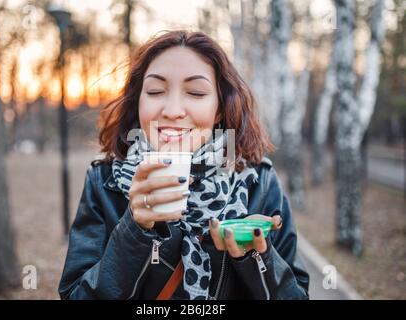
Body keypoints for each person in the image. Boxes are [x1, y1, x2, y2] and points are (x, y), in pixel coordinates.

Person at [58, 30, 309, 300]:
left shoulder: (258, 182)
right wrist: (134, 230)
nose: (173, 110)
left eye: (196, 92)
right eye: (155, 91)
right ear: (139, 100)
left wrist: (259, 259)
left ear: (220, 109)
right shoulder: (104, 182)